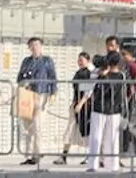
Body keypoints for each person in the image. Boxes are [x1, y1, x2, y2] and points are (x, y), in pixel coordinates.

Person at [16, 36, 59, 166]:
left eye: (37, 45)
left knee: (37, 125)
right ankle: (29, 154)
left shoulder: (47, 61)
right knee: (28, 127)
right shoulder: (26, 61)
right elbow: (19, 77)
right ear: (29, 47)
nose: (35, 47)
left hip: (41, 94)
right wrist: (24, 82)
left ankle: (37, 153)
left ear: (41, 46)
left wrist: (53, 92)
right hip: (27, 95)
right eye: (32, 45)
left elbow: (52, 77)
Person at [86, 53, 127, 172]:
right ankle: (94, 164)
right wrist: (101, 75)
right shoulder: (98, 74)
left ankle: (111, 165)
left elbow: (111, 90)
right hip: (100, 108)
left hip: (112, 109)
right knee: (97, 137)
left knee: (111, 138)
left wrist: (104, 76)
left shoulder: (120, 76)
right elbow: (95, 88)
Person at [62, 52, 96, 165]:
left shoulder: (90, 73)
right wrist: (74, 103)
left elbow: (88, 90)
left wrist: (81, 103)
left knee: (86, 131)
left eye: (81, 60)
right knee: (70, 129)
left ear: (87, 60)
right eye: (78, 60)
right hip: (76, 104)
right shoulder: (79, 72)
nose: (79, 62)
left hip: (86, 105)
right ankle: (64, 155)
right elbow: (77, 88)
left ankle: (89, 155)